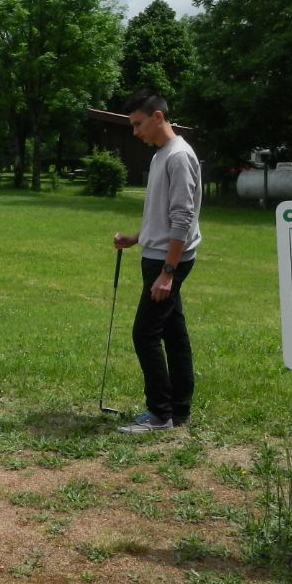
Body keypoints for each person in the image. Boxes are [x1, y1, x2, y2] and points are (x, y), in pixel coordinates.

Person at [111, 91, 202, 433]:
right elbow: (163, 214)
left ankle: (159, 414)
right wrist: (138, 237)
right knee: (174, 335)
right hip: (158, 255)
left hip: (166, 263)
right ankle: (178, 410)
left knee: (145, 334)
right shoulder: (161, 155)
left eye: (138, 124)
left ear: (158, 117)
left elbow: (182, 218)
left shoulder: (178, 156)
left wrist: (167, 272)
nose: (135, 132)